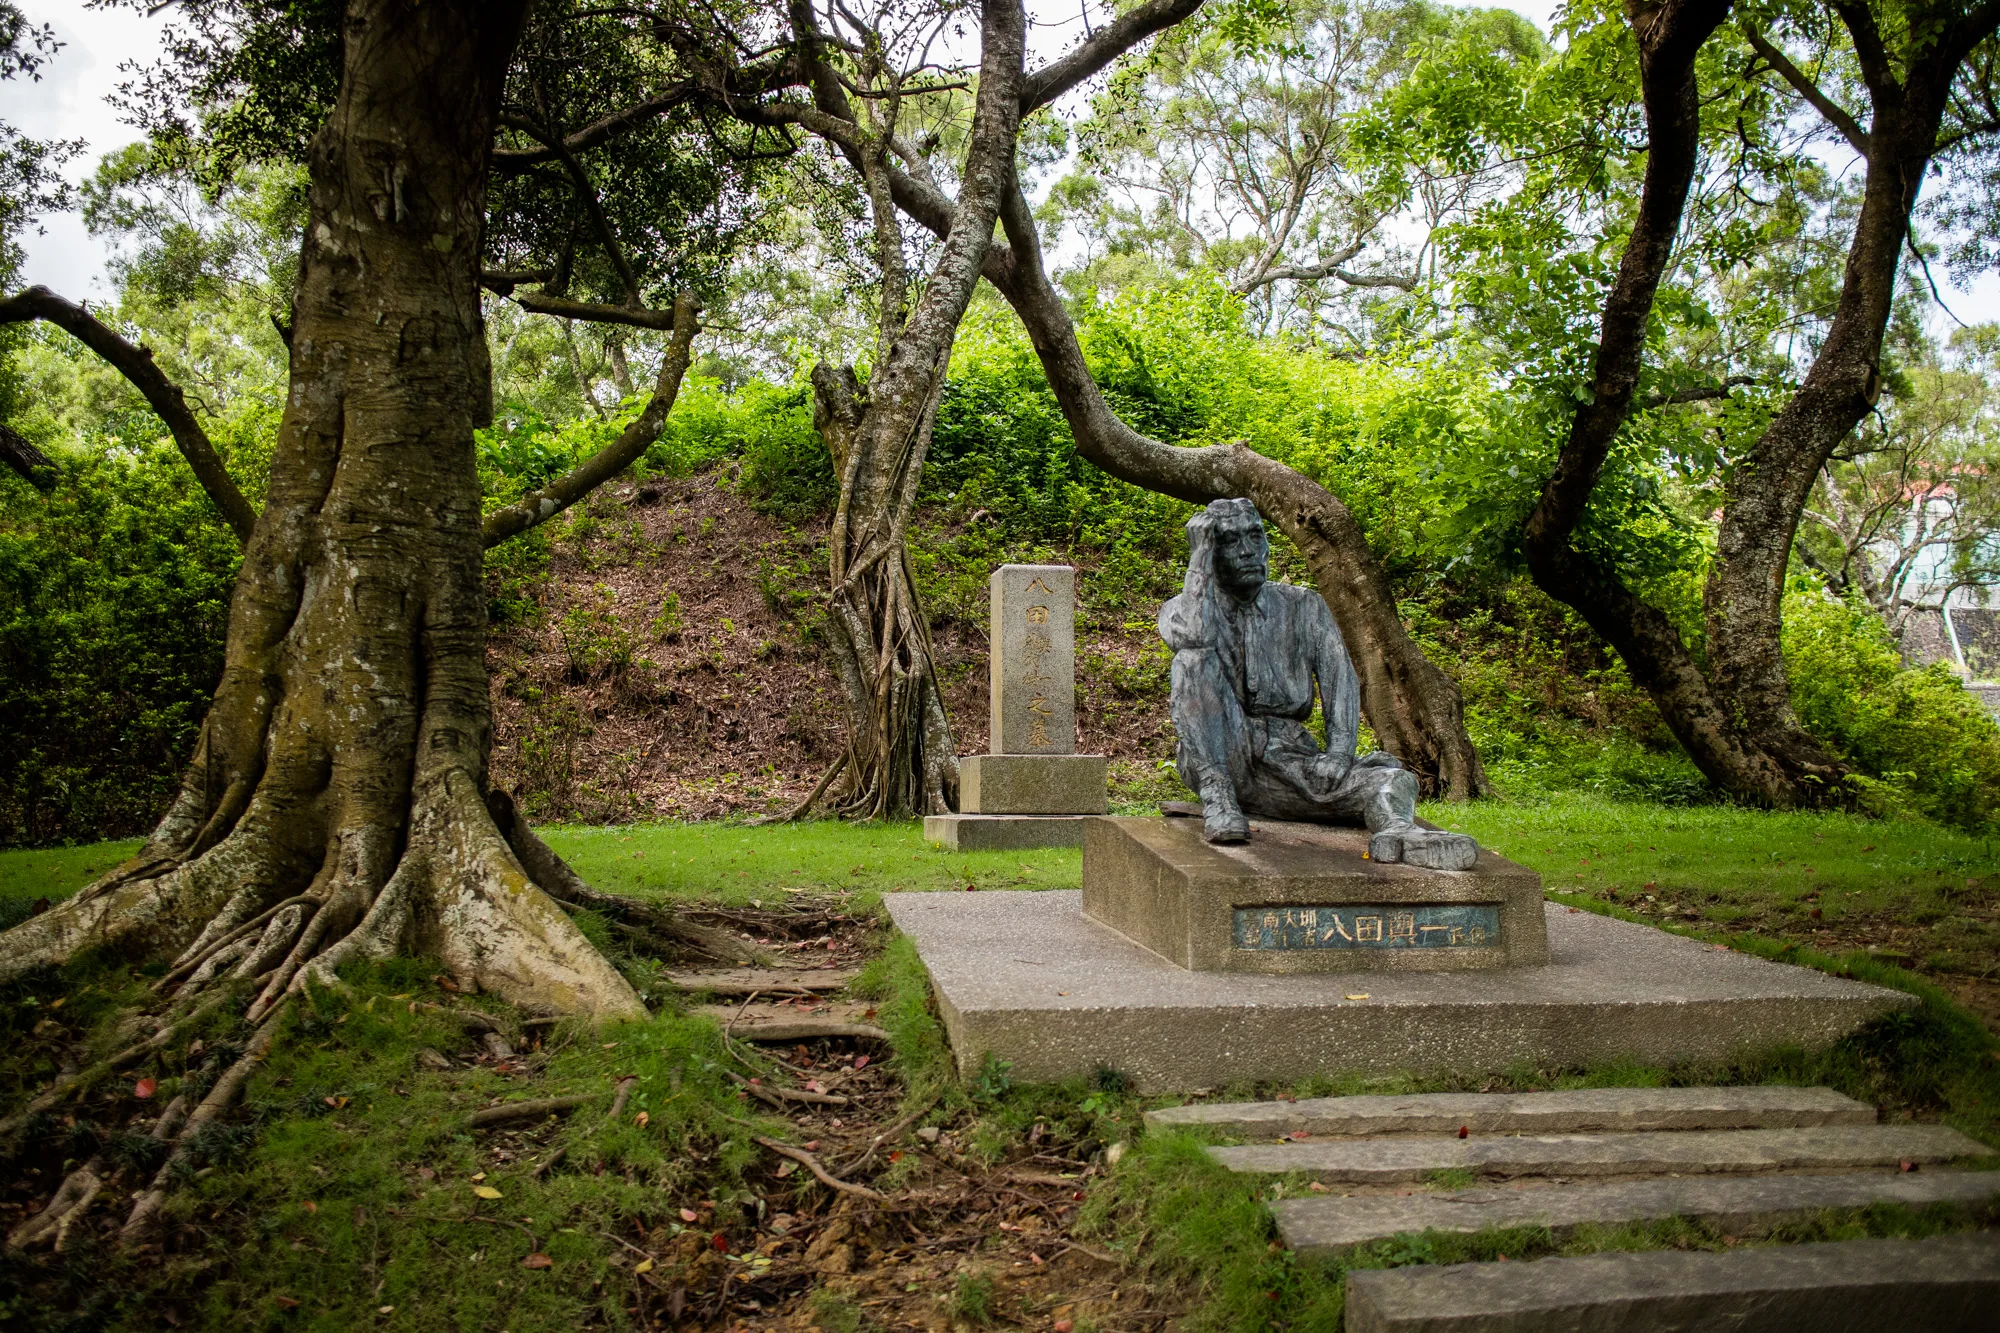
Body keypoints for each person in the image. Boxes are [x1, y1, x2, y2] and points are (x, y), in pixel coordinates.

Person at [1159, 498, 1477, 869]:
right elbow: (1192, 636)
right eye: (1230, 541)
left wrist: (1339, 754)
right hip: (1223, 756)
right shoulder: (1183, 607)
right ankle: (1218, 795)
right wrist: (1198, 559)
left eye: (1255, 537)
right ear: (1211, 552)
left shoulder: (1304, 606)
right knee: (1192, 660)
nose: (1248, 551)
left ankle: (1399, 830)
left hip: (1290, 757)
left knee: (1393, 779)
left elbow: (1340, 679)